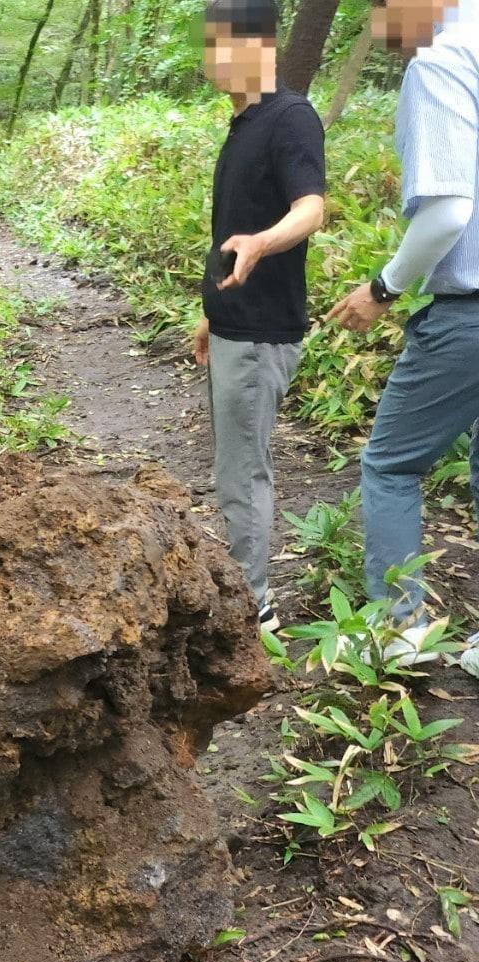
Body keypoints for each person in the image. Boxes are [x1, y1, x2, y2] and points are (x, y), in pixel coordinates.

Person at [328, 0, 479, 638]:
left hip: (469, 315)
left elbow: (448, 211)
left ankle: (398, 634)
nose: (380, 25)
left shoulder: (443, 59)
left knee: (391, 465)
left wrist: (384, 288)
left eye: (382, 8)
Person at [195, 0, 327, 634]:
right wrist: (211, 310)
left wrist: (263, 242)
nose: (207, 61)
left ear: (255, 48)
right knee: (231, 464)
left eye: (216, 45)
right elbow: (231, 227)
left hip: (260, 333)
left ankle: (252, 607)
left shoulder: (290, 118)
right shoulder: (243, 123)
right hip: (231, 325)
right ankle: (243, 588)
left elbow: (311, 208)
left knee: (243, 470)